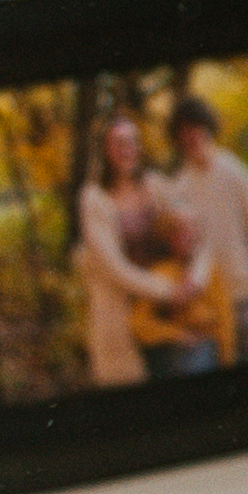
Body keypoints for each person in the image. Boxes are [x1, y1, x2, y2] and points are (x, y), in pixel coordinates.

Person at [158, 85, 248, 360]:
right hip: (209, 304)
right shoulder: (179, 188)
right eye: (183, 132)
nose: (190, 137)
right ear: (177, 139)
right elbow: (190, 249)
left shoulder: (236, 173)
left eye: (195, 127)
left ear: (208, 127)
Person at [68, 105, 185, 383]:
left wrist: (193, 278)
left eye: (133, 141)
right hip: (121, 318)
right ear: (105, 151)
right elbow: (114, 268)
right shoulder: (93, 198)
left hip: (166, 315)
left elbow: (194, 226)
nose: (128, 149)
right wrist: (169, 290)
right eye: (119, 143)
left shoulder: (156, 185)